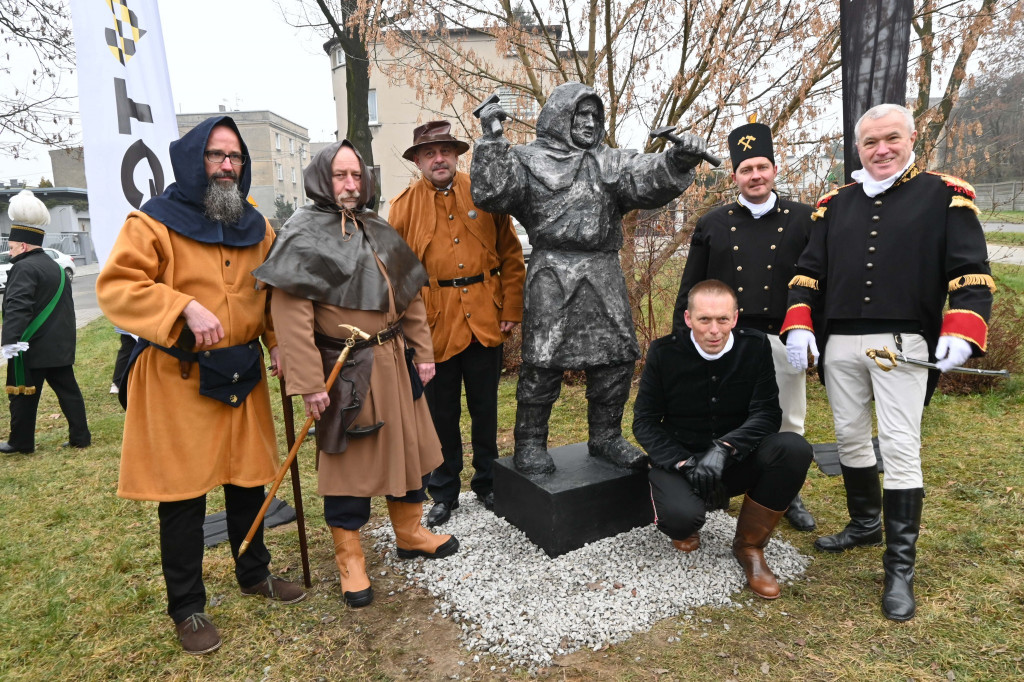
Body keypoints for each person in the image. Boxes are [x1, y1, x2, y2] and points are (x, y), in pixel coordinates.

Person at [96, 116, 305, 656]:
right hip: (177, 376)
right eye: (216, 156)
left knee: (247, 480)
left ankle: (253, 573)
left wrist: (278, 339)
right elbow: (118, 288)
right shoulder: (152, 223)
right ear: (194, 161)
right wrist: (181, 306)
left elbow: (272, 292)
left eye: (234, 157)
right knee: (184, 496)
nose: (227, 166)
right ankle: (187, 607)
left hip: (243, 370)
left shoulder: (258, 226)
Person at [782, 103, 994, 621]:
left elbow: (970, 271)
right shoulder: (835, 203)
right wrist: (800, 322)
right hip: (839, 345)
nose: (881, 150)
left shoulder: (946, 194)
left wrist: (963, 329)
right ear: (857, 147)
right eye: (870, 142)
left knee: (900, 445)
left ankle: (899, 568)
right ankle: (864, 523)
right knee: (851, 437)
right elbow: (808, 273)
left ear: (912, 137)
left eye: (891, 139)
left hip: (903, 344)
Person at [254, 140, 459, 610]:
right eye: (340, 176)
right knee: (349, 464)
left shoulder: (378, 228)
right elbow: (291, 317)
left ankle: (409, 532)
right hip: (345, 371)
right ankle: (350, 561)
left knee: (409, 451)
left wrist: (423, 352)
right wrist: (307, 383)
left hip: (394, 360)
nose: (350, 185)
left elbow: (408, 297)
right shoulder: (301, 235)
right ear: (322, 180)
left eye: (356, 176)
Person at [471, 82, 708, 474]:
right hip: (551, 271)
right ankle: (530, 442)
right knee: (542, 362)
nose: (588, 122)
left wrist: (678, 160)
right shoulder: (527, 159)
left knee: (615, 359)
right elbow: (492, 193)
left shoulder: (611, 161)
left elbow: (645, 177)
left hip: (603, 269)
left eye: (595, 115)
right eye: (581, 114)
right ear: (560, 116)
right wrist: (493, 139)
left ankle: (606, 436)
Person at [672, 116, 816, 532]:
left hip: (783, 335)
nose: (755, 176)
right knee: (728, 413)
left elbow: (817, 281)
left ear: (773, 169)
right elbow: (691, 284)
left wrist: (812, 332)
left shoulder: (804, 219)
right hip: (726, 337)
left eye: (761, 167)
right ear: (735, 176)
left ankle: (786, 492)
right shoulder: (713, 223)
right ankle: (722, 480)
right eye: (746, 169)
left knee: (789, 419)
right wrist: (684, 336)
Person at [633, 280, 812, 599]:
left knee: (794, 448)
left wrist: (725, 447)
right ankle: (689, 515)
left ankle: (750, 547)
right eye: (704, 320)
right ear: (688, 319)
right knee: (680, 520)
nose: (714, 330)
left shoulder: (755, 346)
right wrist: (685, 463)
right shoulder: (663, 352)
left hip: (737, 460)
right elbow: (645, 422)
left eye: (722, 320)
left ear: (736, 318)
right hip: (681, 460)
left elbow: (767, 413)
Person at [389, 121, 526, 526]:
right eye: (429, 153)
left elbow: (512, 256)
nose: (439, 158)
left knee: (486, 409)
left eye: (445, 151)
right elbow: (396, 276)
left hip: (486, 318)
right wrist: (409, 334)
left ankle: (487, 482)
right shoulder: (402, 206)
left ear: (456, 154)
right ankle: (444, 491)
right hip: (432, 326)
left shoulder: (483, 193)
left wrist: (510, 309)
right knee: (440, 414)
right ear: (417, 160)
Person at [1, 190, 90, 454]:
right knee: (69, 393)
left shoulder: (24, 268)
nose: (10, 252)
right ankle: (80, 437)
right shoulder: (55, 267)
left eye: (13, 247)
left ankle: (20, 442)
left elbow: (18, 307)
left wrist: (9, 343)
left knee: (21, 394)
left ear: (24, 246)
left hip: (32, 346)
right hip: (59, 344)